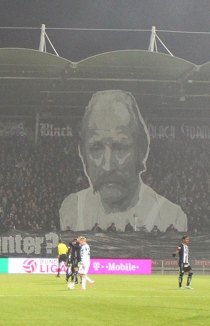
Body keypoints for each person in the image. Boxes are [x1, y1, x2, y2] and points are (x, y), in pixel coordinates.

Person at [60, 90, 187, 232]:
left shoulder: (169, 216)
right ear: (83, 154)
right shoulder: (72, 209)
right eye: (96, 149)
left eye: (120, 148)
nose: (108, 166)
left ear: (141, 150)